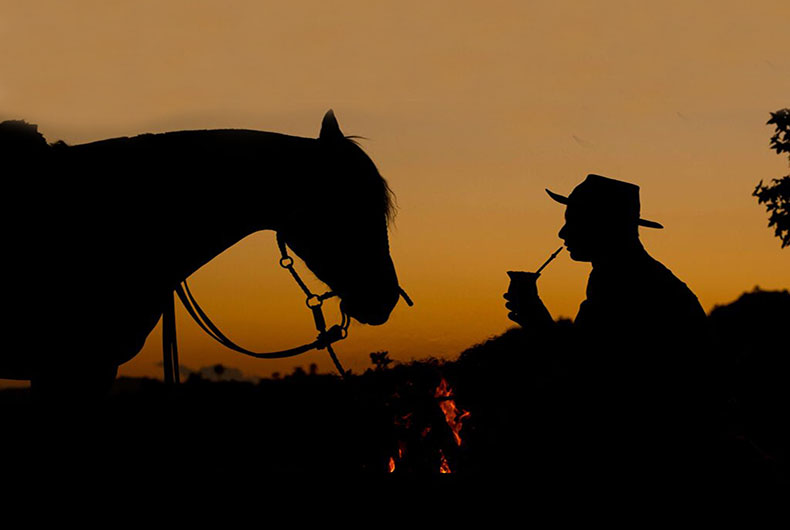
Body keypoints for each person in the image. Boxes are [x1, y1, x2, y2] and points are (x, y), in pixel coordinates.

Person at [504, 174, 713, 485]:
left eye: (574, 221)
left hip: (652, 450)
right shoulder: (629, 275)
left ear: (603, 225)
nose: (562, 232)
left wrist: (537, 320)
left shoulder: (626, 283)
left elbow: (590, 372)